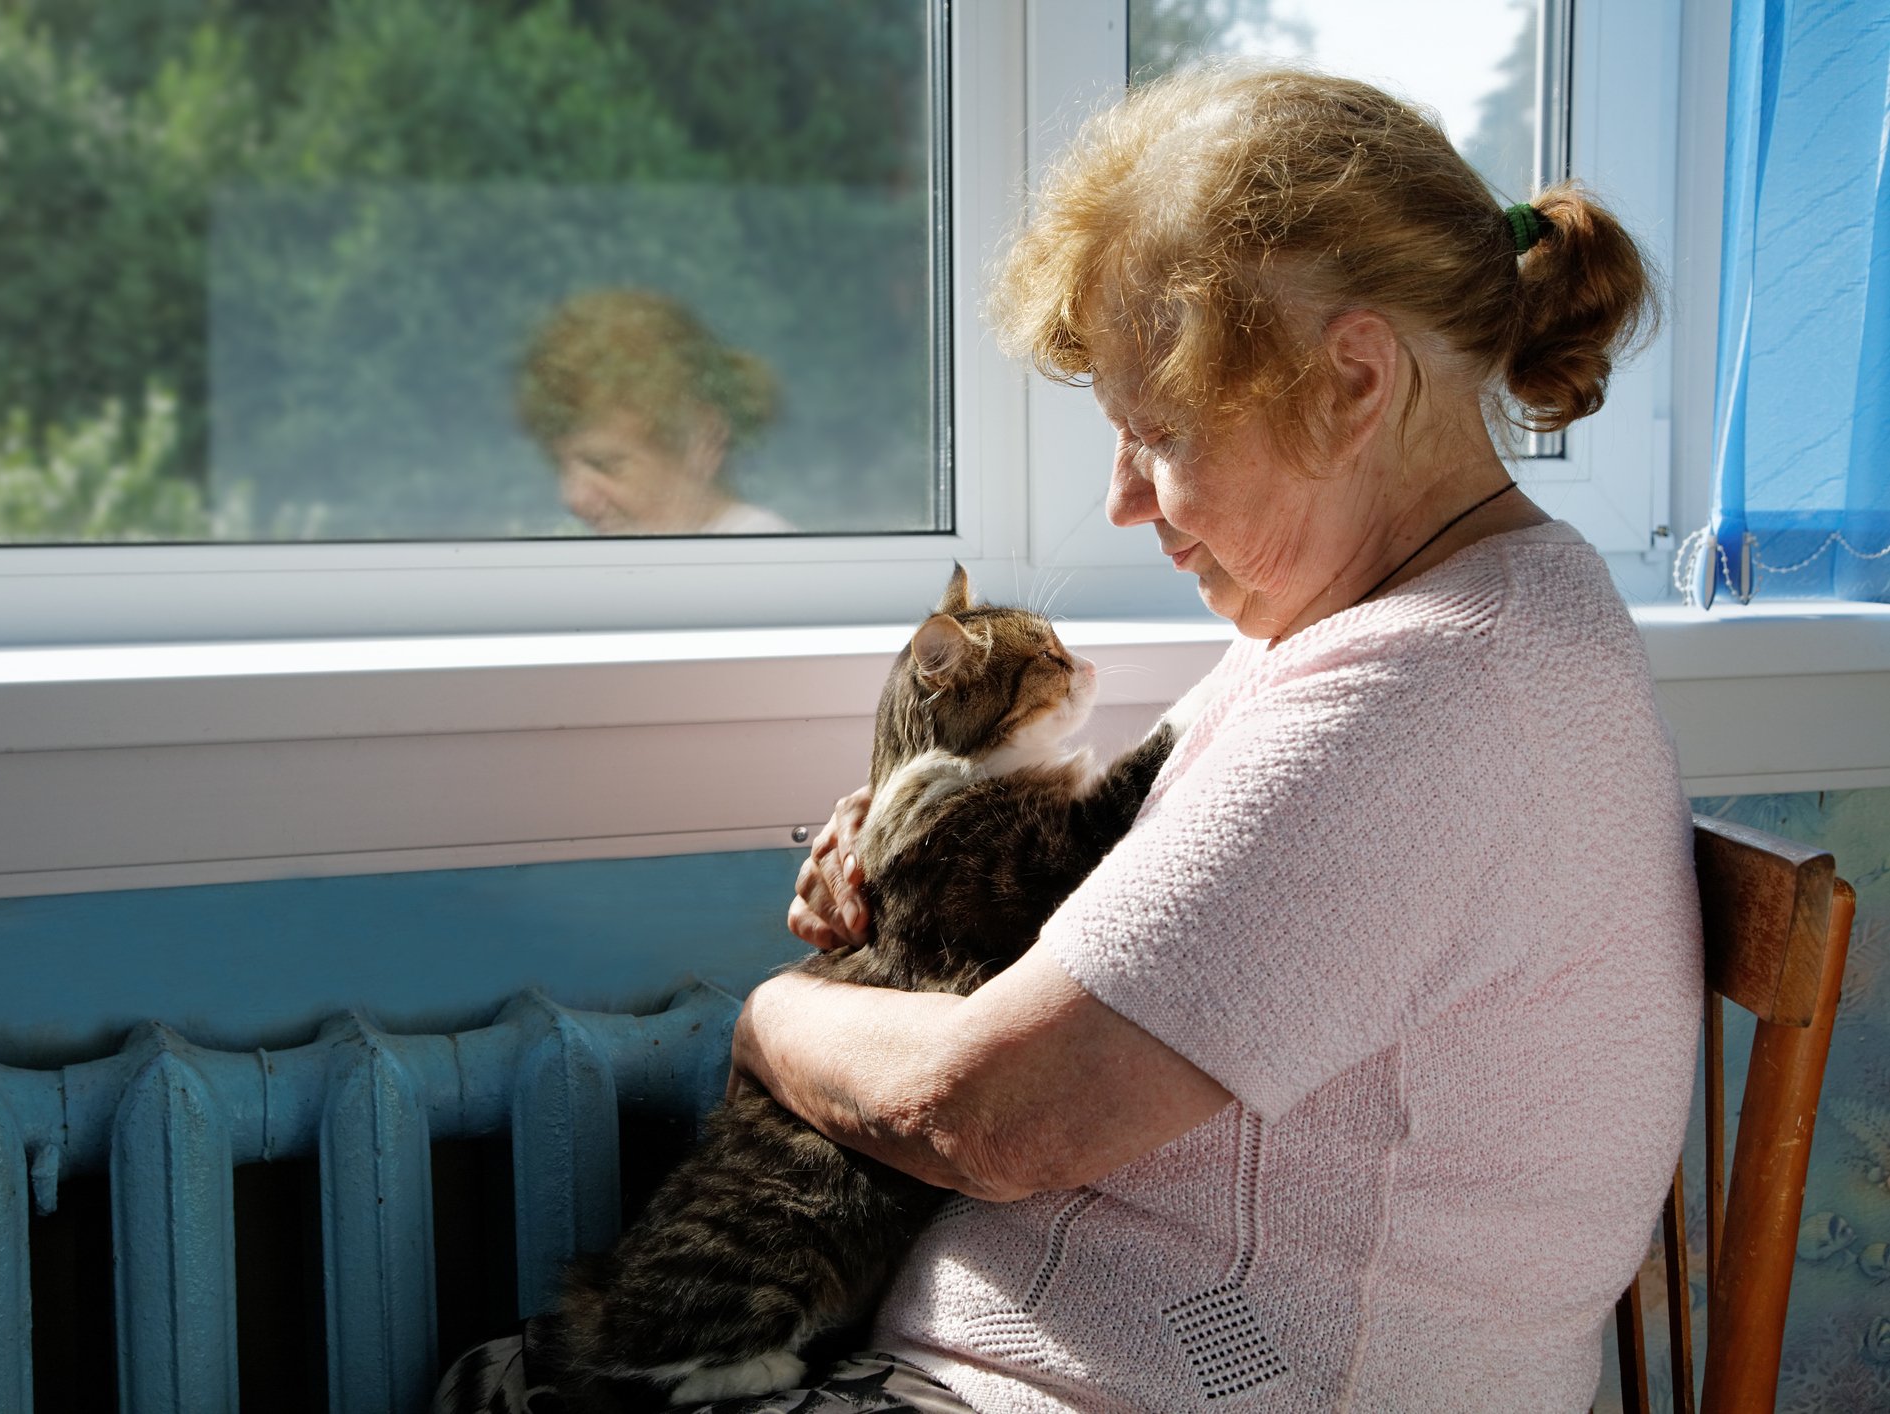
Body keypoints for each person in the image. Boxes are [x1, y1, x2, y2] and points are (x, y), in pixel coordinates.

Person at [753, 64, 1701, 1411]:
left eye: (1161, 433)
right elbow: (1153, 905)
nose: (1125, 499)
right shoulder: (1372, 624)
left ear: (1354, 378)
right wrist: (918, 849)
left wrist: (772, 1016)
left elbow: (990, 1114)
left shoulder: (1425, 702)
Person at [516, 288, 796, 536]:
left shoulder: (767, 572)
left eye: (604, 465)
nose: (573, 497)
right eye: (558, 465)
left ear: (702, 439)